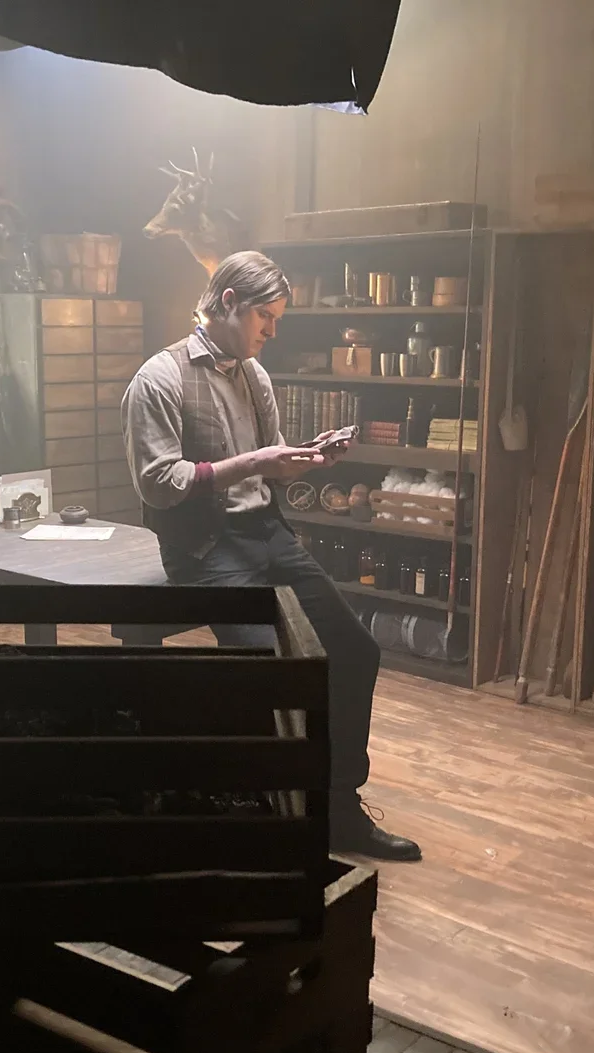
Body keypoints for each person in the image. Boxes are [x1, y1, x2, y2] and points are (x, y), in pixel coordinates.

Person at [121, 250, 422, 862]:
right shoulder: (159, 379)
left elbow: (268, 466)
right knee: (272, 673)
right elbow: (157, 483)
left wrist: (304, 458)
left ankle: (337, 809)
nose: (272, 331)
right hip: (205, 548)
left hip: (266, 531)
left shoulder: (253, 375)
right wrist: (257, 462)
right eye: (267, 316)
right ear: (228, 301)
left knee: (354, 651)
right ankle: (270, 821)